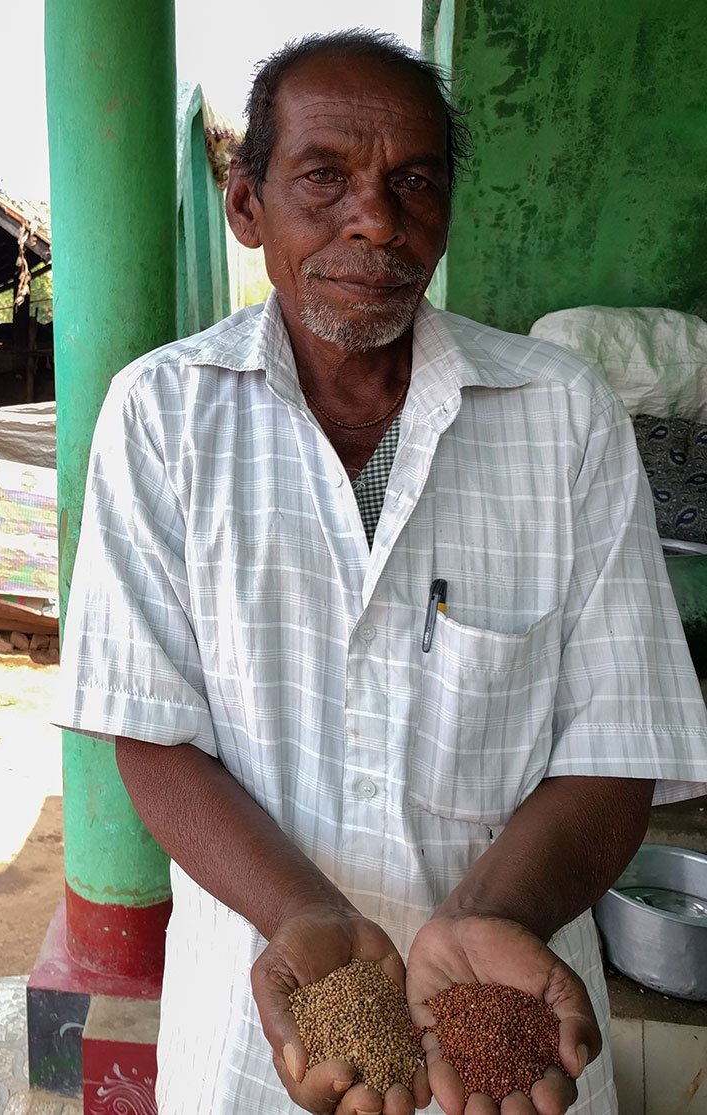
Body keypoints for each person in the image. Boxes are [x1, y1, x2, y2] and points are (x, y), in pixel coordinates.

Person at [55, 30, 707, 1115]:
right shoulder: (159, 415)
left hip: (509, 995)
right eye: (324, 177)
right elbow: (150, 728)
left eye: (414, 182)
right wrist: (305, 914)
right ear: (244, 205)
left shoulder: (561, 416)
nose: (374, 219)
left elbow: (620, 737)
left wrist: (489, 914)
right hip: (260, 1004)